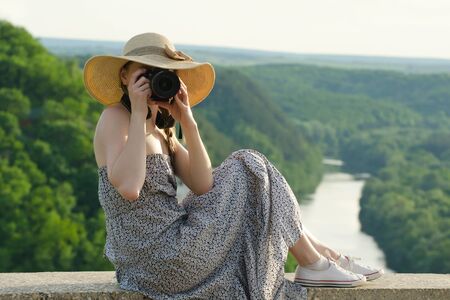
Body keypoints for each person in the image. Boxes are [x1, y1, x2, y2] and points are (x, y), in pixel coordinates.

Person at [84, 32, 384, 300]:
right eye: (145, 73)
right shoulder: (115, 118)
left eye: (162, 73)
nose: (154, 80)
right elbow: (129, 187)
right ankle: (315, 262)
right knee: (248, 163)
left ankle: (323, 257)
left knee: (253, 175)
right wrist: (137, 115)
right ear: (125, 77)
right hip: (156, 258)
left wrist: (187, 121)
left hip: (173, 249)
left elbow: (203, 184)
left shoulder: (160, 128)